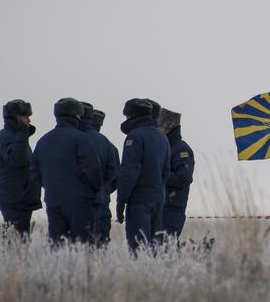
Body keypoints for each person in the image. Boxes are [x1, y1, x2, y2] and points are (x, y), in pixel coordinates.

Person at [29, 98, 103, 245]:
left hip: (53, 200)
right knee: (83, 245)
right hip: (80, 201)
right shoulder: (81, 139)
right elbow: (93, 169)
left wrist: (51, 186)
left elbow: (34, 172)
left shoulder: (43, 141)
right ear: (77, 116)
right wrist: (93, 190)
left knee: (58, 245)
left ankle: (60, 268)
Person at [116, 98, 171, 254]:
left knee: (138, 249)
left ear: (131, 116)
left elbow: (129, 172)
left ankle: (141, 277)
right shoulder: (162, 137)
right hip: (158, 199)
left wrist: (121, 201)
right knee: (155, 249)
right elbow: (166, 170)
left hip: (139, 201)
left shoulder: (134, 137)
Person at [0, 99, 42, 238]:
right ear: (15, 118)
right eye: (25, 116)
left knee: (20, 241)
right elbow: (16, 160)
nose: (29, 120)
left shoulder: (17, 138)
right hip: (15, 201)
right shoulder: (6, 137)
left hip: (22, 200)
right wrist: (21, 134)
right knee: (15, 241)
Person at [81, 103, 120, 246]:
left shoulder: (76, 139)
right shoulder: (109, 145)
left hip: (77, 201)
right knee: (100, 241)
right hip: (103, 200)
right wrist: (104, 189)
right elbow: (116, 177)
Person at [158, 108, 195, 247]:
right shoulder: (163, 147)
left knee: (166, 247)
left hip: (172, 209)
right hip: (160, 206)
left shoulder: (181, 149)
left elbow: (183, 177)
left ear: (168, 127)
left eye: (158, 126)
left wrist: (157, 175)